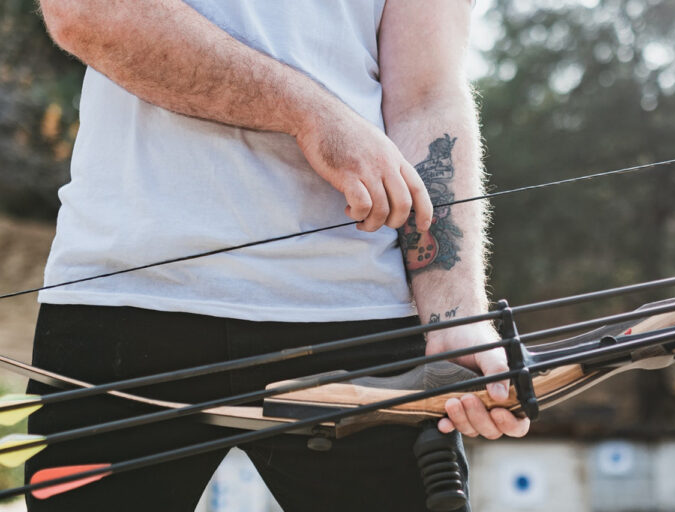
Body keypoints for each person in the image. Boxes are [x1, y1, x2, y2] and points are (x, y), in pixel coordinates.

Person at [29, 0, 530, 510]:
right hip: (124, 304)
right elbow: (85, 11)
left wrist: (455, 319)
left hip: (361, 325)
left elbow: (427, 100)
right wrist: (311, 115)